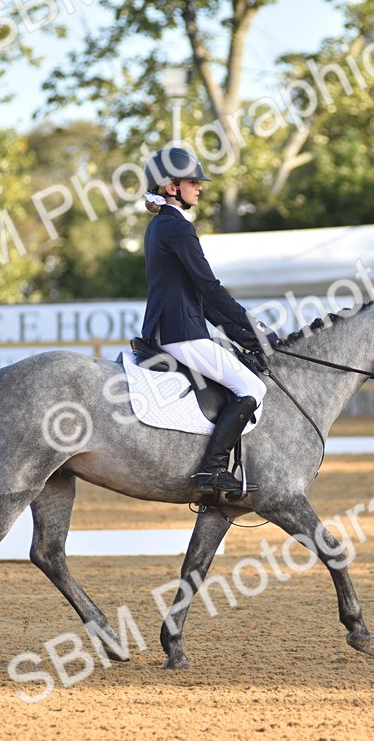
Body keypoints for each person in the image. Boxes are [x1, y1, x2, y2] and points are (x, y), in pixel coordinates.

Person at [140, 146, 275, 498]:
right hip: (179, 332)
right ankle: (212, 470)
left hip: (176, 326)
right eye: (193, 182)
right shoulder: (177, 228)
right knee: (252, 388)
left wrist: (245, 334)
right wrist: (255, 327)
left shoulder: (161, 226)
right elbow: (210, 288)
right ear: (172, 187)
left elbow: (199, 298)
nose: (199, 187)